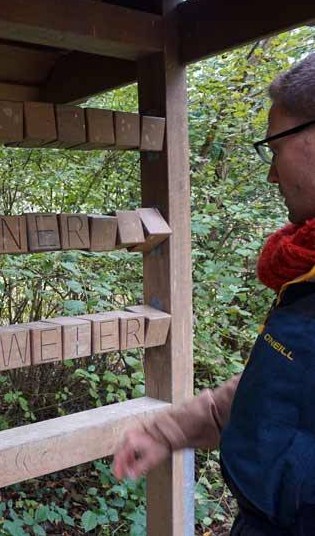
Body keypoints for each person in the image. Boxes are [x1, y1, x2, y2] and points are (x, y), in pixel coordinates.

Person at [113, 53, 315, 536]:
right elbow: (281, 390)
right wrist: (171, 429)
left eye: (274, 147)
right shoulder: (305, 271)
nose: (270, 176)